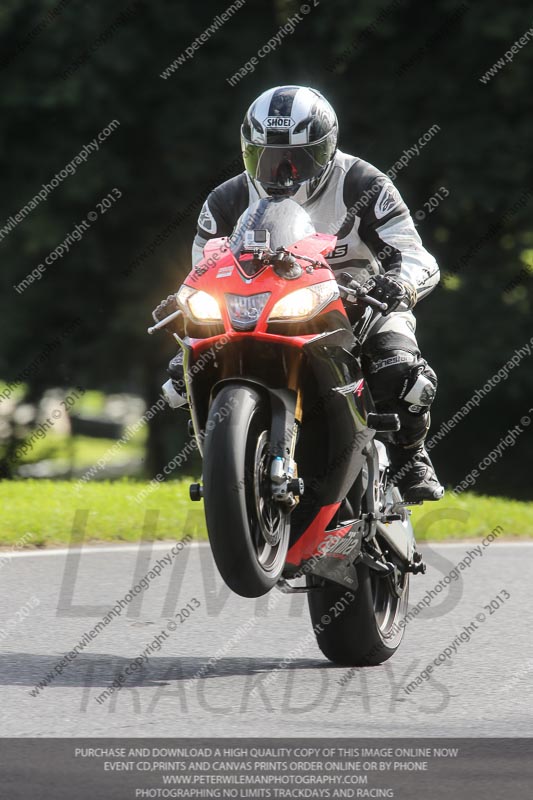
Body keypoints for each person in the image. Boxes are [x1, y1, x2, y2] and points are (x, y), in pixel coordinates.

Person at [155, 85, 444, 502]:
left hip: (359, 302)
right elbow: (202, 267)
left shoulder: (364, 183)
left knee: (401, 369)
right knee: (180, 378)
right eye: (267, 158)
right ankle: (232, 457)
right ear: (247, 151)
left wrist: (400, 282)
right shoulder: (226, 199)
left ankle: (411, 455)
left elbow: (415, 254)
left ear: (327, 149)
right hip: (259, 307)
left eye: (297, 158)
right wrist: (182, 298)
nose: (282, 172)